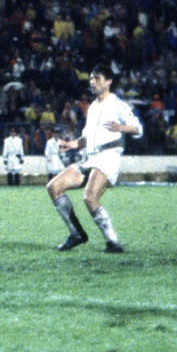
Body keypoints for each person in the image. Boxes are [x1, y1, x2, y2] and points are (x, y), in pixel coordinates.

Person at [45, 64, 142, 253]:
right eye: (90, 78)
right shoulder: (93, 107)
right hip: (90, 157)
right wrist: (73, 144)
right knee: (53, 187)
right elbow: (87, 137)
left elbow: (138, 128)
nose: (92, 82)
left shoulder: (118, 104)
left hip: (108, 157)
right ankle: (76, 234)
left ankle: (113, 242)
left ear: (108, 81)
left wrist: (121, 128)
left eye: (97, 78)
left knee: (89, 197)